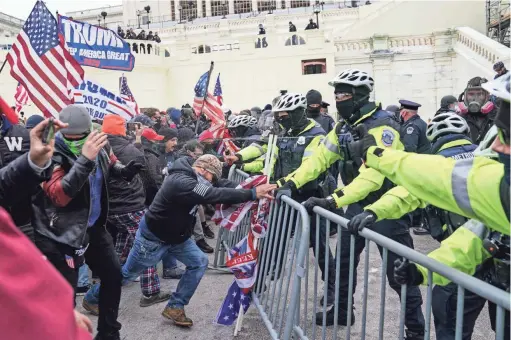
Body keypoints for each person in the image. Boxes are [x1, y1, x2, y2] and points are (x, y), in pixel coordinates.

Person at [348, 73, 510, 340]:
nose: (498, 142)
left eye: (506, 129)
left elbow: (438, 180)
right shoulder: (493, 169)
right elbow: (477, 236)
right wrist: (425, 269)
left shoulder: (495, 183)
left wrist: (375, 156)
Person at [291, 69, 425, 337]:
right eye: (336, 94)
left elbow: (374, 177)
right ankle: (342, 311)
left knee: (399, 273)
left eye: (343, 94)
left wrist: (333, 199)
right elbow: (318, 159)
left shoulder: (384, 127)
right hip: (356, 203)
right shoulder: (343, 126)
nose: (338, 99)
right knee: (344, 261)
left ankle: (415, 329)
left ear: (360, 95)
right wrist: (290, 182)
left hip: (388, 206)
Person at [85, 155, 276, 328]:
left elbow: (220, 185)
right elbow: (212, 194)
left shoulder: (193, 178)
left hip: (177, 238)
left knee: (199, 263)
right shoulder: (182, 182)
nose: (212, 182)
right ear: (204, 171)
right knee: (127, 274)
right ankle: (92, 298)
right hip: (153, 238)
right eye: (212, 178)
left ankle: (175, 306)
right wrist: (252, 194)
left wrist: (252, 187)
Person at [39, 105, 143, 340]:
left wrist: (125, 171)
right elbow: (59, 194)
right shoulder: (49, 150)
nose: (77, 141)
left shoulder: (100, 142)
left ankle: (108, 332)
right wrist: (84, 160)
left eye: (81, 137)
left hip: (94, 226)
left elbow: (110, 163)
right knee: (67, 290)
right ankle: (66, 334)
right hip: (64, 231)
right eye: (70, 138)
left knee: (113, 275)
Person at [101, 115, 170, 307]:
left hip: (110, 208)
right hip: (130, 205)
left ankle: (106, 285)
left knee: (121, 247)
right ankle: (150, 292)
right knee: (147, 245)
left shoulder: (98, 146)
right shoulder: (129, 149)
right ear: (123, 129)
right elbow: (148, 180)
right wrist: (156, 201)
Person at [458, 76, 495, 144]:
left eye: (480, 94)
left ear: (488, 96)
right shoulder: (459, 119)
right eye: (471, 94)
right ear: (465, 96)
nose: (475, 99)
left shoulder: (499, 117)